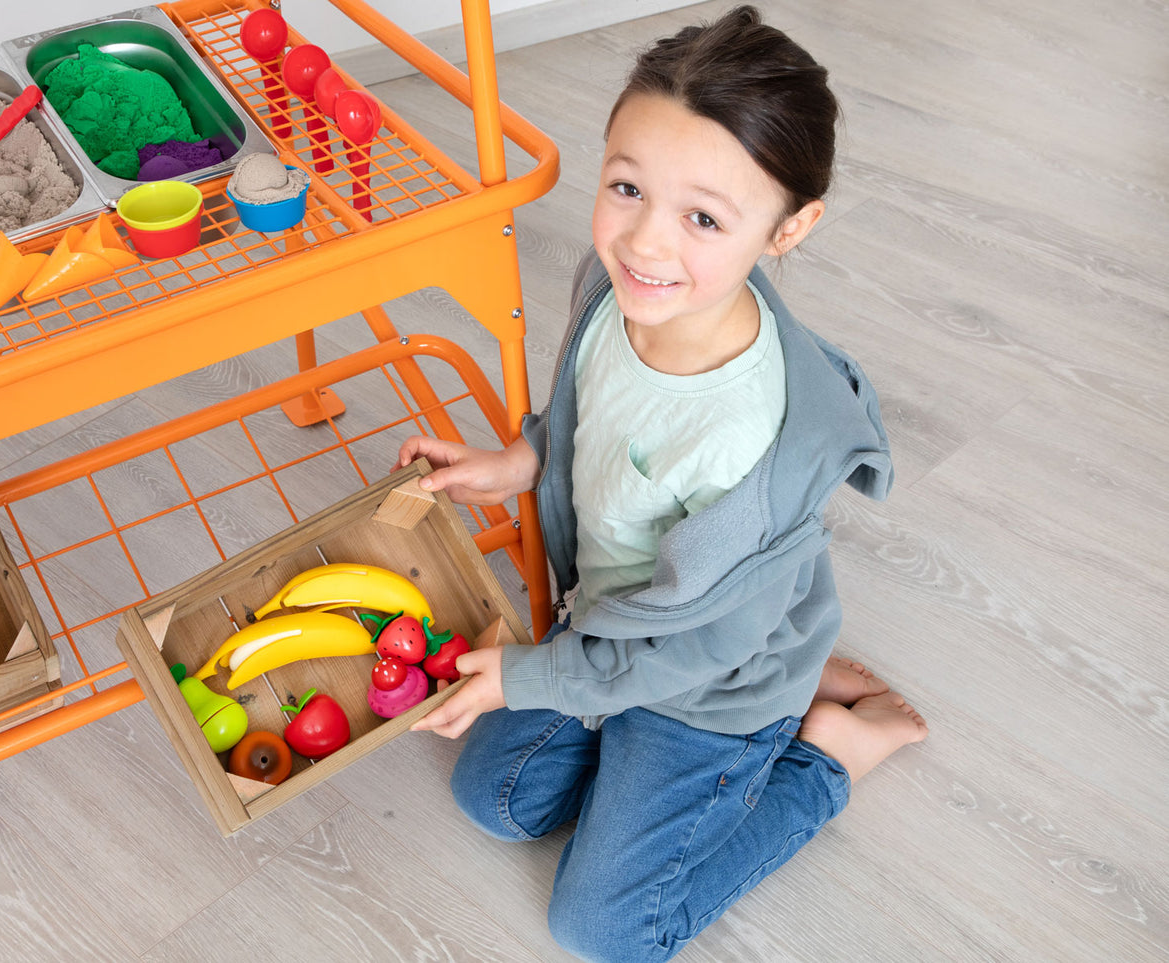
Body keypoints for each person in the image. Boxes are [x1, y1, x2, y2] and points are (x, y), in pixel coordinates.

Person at [397, 7, 928, 961]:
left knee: (602, 929)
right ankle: (801, 657)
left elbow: (695, 647)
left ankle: (823, 751)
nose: (644, 241)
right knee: (494, 800)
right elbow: (595, 417)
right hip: (622, 624)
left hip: (713, 681)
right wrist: (521, 458)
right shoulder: (614, 293)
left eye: (702, 218)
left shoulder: (749, 450)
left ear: (789, 227)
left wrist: (530, 674)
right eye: (626, 187)